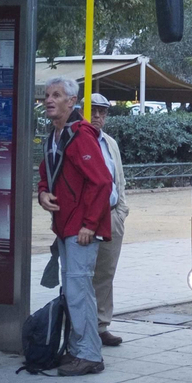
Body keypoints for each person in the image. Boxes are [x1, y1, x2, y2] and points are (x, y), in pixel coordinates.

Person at [36, 77, 114, 377]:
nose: (49, 100)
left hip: (80, 229)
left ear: (72, 101)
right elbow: (46, 172)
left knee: (78, 290)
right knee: (75, 291)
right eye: (46, 95)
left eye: (56, 95)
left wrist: (89, 225)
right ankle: (80, 349)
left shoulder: (80, 135)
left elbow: (102, 181)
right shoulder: (56, 135)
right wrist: (43, 192)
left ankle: (89, 354)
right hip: (67, 227)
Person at [87, 93, 128, 348]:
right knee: (82, 274)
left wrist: (122, 211)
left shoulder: (109, 143)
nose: (99, 116)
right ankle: (80, 327)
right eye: (94, 111)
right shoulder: (76, 140)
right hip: (85, 220)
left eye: (103, 112)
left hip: (112, 215)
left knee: (105, 273)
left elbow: (119, 179)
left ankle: (101, 325)